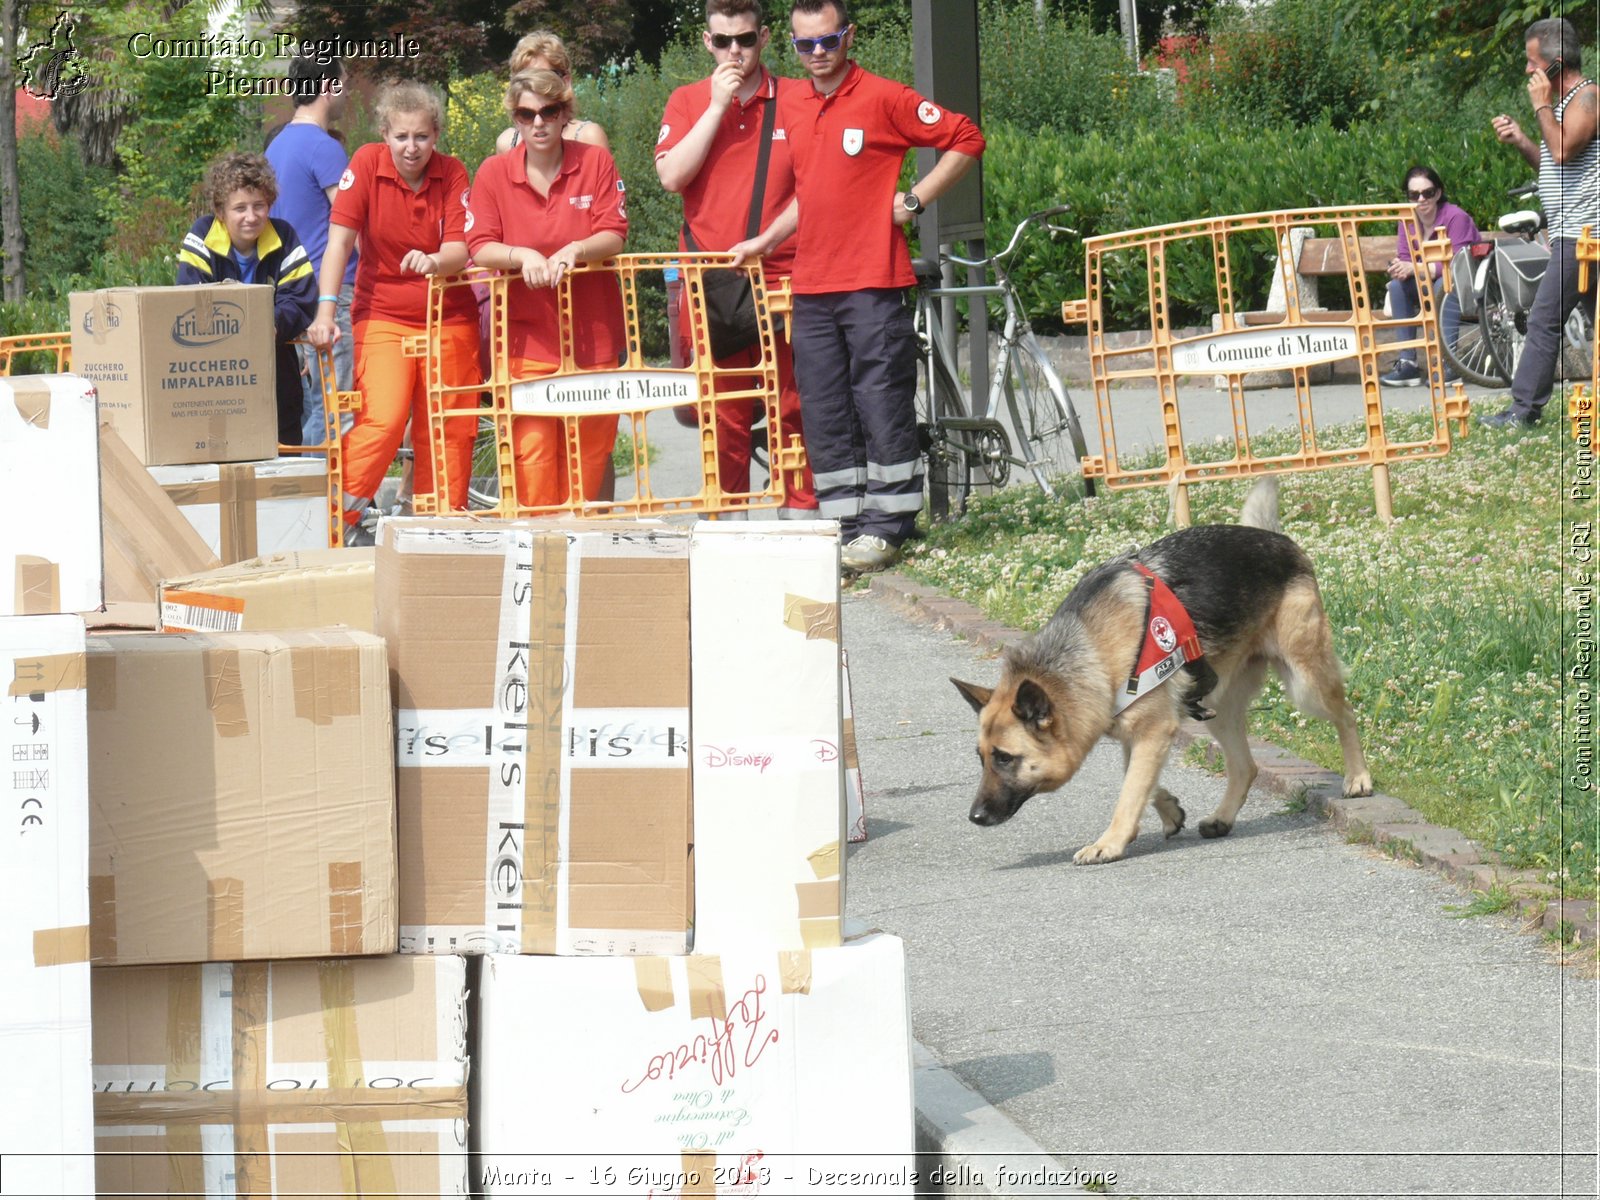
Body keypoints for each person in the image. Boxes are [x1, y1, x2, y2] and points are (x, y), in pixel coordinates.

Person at [731, 0, 983, 574]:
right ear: (792, 46)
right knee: (822, 405)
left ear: (848, 36)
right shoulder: (793, 102)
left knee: (879, 399)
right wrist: (766, 240)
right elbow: (811, 193)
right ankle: (843, 525)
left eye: (827, 40)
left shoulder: (884, 96)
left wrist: (914, 200)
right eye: (805, 45)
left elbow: (966, 137)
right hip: (812, 283)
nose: (817, 53)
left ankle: (888, 524)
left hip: (872, 278)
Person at [656, 0, 817, 518]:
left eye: (745, 40)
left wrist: (772, 236)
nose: (734, 51)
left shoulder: (796, 96)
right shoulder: (687, 101)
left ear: (764, 38)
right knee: (723, 408)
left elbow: (817, 184)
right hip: (715, 279)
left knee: (794, 403)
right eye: (723, 41)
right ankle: (727, 520)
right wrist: (716, 107)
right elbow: (672, 177)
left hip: (787, 274)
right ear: (707, 42)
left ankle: (801, 515)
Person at [306, 81, 480, 542]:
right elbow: (339, 242)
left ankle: (439, 530)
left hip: (449, 316)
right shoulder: (365, 163)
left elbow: (461, 249)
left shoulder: (453, 172)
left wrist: (435, 262)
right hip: (383, 313)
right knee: (382, 420)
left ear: (436, 135)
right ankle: (330, 524)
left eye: (421, 137)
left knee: (449, 427)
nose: (411, 147)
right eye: (401, 136)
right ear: (385, 133)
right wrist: (325, 311)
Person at [467, 69, 628, 508]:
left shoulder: (594, 162)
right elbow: (479, 245)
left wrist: (575, 249)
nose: (537, 123)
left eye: (548, 111)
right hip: (525, 341)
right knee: (532, 454)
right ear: (514, 119)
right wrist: (523, 255)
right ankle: (539, 558)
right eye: (526, 113)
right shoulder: (493, 173)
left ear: (564, 114)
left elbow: (614, 231)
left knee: (590, 456)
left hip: (593, 336)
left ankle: (577, 557)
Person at [1483, 17, 1599, 428]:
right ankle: (1523, 409)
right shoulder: (1564, 106)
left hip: (1584, 236)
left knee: (1544, 318)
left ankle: (1523, 411)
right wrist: (1522, 140)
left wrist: (1539, 106)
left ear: (1557, 62)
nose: (1528, 71)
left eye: (1533, 62)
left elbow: (1565, 151)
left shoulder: (1589, 98)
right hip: (1572, 235)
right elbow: (1552, 164)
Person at [177, 152, 317, 449]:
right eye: (239, 208)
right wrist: (241, 329)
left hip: (276, 378)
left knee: (284, 453)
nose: (251, 217)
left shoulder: (285, 236)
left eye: (259, 206)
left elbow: (301, 297)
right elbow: (190, 297)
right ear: (220, 210)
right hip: (216, 377)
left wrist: (272, 324)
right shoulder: (201, 235)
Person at [264, 54, 354, 451]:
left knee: (313, 400)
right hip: (332, 290)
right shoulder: (325, 147)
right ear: (327, 88)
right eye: (343, 84)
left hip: (294, 291)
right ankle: (332, 496)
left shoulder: (276, 146)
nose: (346, 93)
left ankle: (314, 488)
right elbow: (351, 222)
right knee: (338, 401)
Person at [1380, 165, 1480, 387]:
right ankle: (1408, 365)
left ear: (1439, 192)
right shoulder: (1406, 221)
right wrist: (1399, 268)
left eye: (1428, 192)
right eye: (1414, 195)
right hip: (1429, 284)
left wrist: (1414, 268)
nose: (1421, 199)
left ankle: (1449, 364)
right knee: (1397, 287)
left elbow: (1458, 263)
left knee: (1443, 286)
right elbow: (1406, 258)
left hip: (1466, 287)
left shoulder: (1456, 217)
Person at [493, 32, 610, 154]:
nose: (535, 86)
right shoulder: (508, 143)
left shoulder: (589, 137)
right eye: (526, 79)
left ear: (565, 82)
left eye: (545, 77)